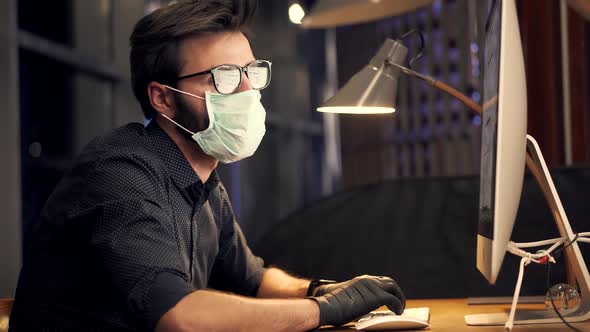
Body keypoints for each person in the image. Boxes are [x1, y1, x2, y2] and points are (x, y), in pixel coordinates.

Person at [9, 1, 405, 331]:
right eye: (225, 78)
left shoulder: (203, 183)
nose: (249, 91)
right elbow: (179, 315)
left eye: (251, 72)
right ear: (163, 98)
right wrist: (324, 312)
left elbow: (256, 279)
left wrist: (324, 291)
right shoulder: (120, 171)